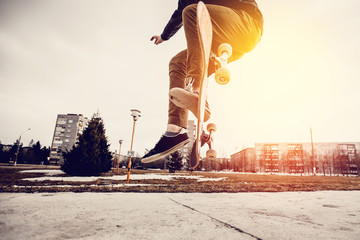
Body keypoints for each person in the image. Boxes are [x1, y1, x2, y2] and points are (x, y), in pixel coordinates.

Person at [141, 0, 263, 163]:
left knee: (192, 12)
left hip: (245, 25)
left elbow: (188, 11)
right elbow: (178, 15)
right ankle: (175, 130)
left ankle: (195, 87)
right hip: (221, 41)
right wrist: (164, 36)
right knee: (177, 63)